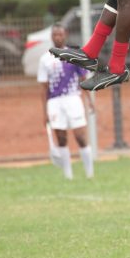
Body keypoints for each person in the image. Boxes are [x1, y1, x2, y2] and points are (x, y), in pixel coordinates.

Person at [37, 24, 94, 179]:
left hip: (73, 98)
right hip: (54, 102)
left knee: (80, 135)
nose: (58, 37)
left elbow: (83, 79)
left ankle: (90, 173)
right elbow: (43, 88)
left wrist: (89, 100)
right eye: (55, 35)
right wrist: (44, 112)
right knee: (61, 137)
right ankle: (68, 174)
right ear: (51, 37)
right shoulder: (45, 59)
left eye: (60, 34)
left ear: (65, 35)